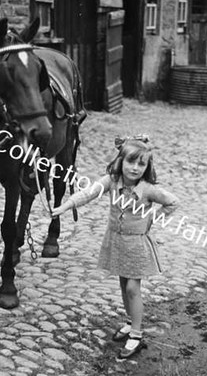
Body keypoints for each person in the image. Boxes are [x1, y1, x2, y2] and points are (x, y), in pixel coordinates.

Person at [51, 135, 179, 359]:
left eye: (142, 164)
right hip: (116, 241)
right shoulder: (112, 181)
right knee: (123, 284)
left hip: (136, 245)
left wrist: (153, 217)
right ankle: (130, 322)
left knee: (132, 288)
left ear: (147, 167)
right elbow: (88, 193)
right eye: (130, 161)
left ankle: (137, 335)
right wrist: (66, 205)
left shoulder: (148, 189)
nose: (135, 168)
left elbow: (173, 202)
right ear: (120, 161)